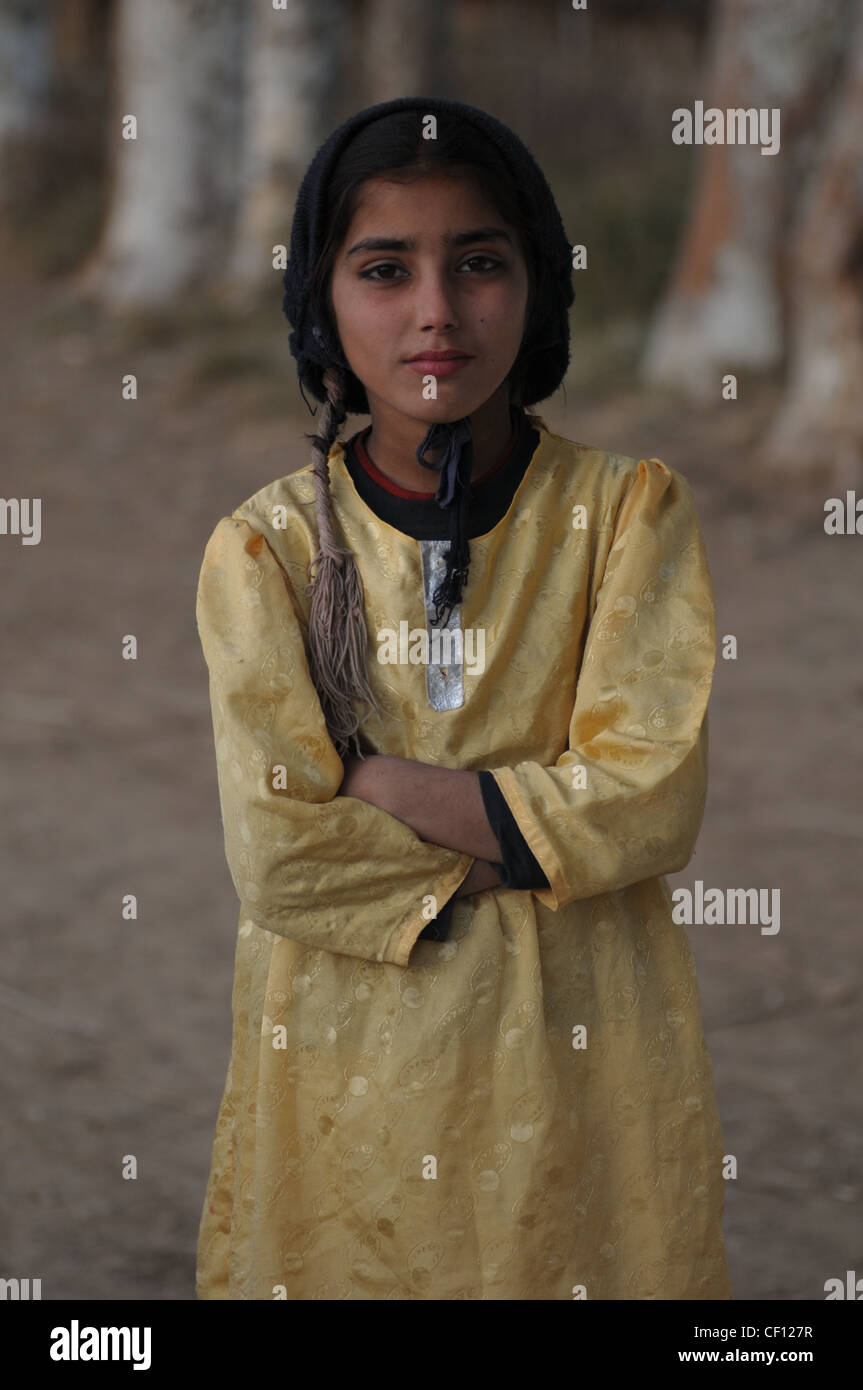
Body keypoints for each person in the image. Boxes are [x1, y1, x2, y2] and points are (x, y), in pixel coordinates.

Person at [194, 96, 732, 1300]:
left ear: (536, 282)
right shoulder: (265, 552)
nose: (436, 311)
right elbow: (282, 850)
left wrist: (384, 783)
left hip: (583, 1033)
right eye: (384, 269)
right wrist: (534, 842)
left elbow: (648, 793)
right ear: (322, 301)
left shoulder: (625, 514)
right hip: (347, 1043)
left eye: (479, 263)